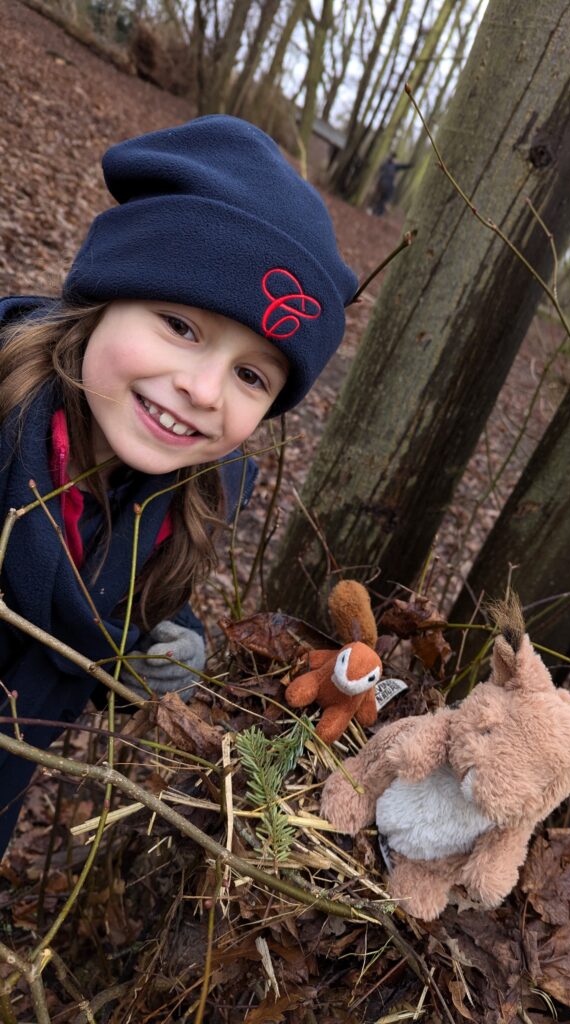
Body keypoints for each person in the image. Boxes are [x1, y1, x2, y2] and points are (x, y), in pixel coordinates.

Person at [0, 115, 358, 858]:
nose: (201, 388)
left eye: (250, 374)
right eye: (180, 325)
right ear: (104, 296)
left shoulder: (181, 502)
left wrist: (164, 645)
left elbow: (114, 613)